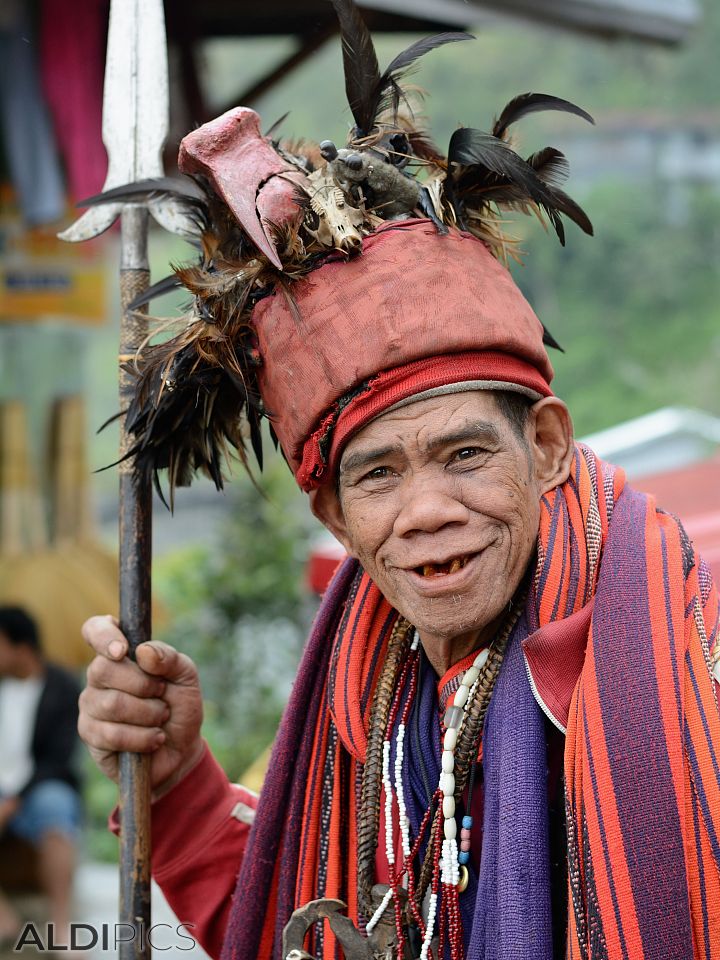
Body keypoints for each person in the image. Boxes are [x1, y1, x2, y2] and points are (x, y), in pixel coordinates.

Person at [77, 3, 720, 958]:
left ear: (545, 446)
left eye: (466, 454)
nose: (426, 513)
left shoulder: (691, 662)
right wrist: (176, 786)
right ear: (332, 510)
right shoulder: (361, 693)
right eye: (377, 474)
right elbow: (291, 927)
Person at [0, 606, 81, 947]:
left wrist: (14, 801)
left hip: (40, 787)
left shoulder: (64, 687)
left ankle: (61, 927)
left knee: (57, 810)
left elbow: (58, 759)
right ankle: (4, 918)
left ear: (22, 648)